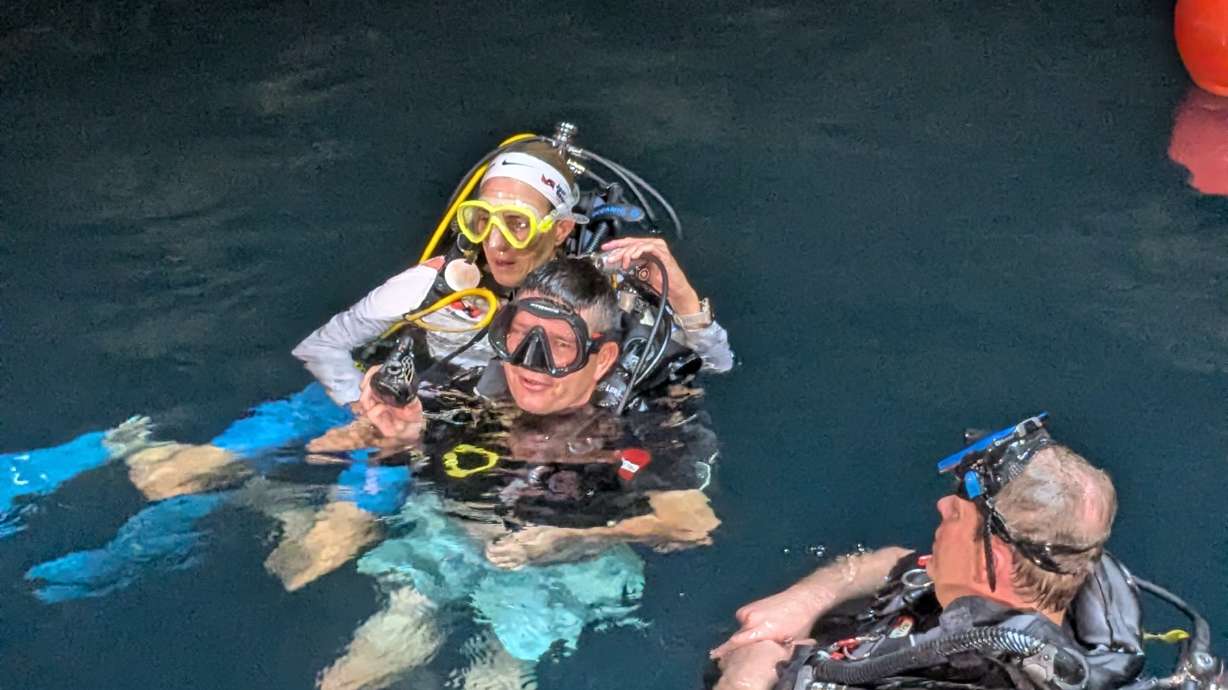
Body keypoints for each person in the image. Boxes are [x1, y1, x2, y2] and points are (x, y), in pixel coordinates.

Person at [311, 258, 722, 690]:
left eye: (560, 345)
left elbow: (694, 525)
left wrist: (576, 539)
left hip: (561, 569)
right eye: (522, 336)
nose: (531, 363)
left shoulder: (645, 429)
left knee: (502, 659)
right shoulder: (467, 391)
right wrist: (392, 434)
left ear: (602, 359)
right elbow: (326, 451)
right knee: (393, 624)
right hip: (455, 534)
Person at [292, 138, 733, 412]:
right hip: (386, 398)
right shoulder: (435, 285)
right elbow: (322, 346)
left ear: (560, 230)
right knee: (233, 449)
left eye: (517, 223)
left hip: (457, 436)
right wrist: (357, 404)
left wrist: (684, 300)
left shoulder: (598, 299)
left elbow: (714, 369)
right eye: (483, 221)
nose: (496, 243)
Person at [710, 415, 1139, 690]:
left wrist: (751, 669)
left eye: (957, 516)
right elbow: (897, 562)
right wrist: (807, 598)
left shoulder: (974, 676)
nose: (942, 506)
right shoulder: (1034, 591)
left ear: (998, 560)